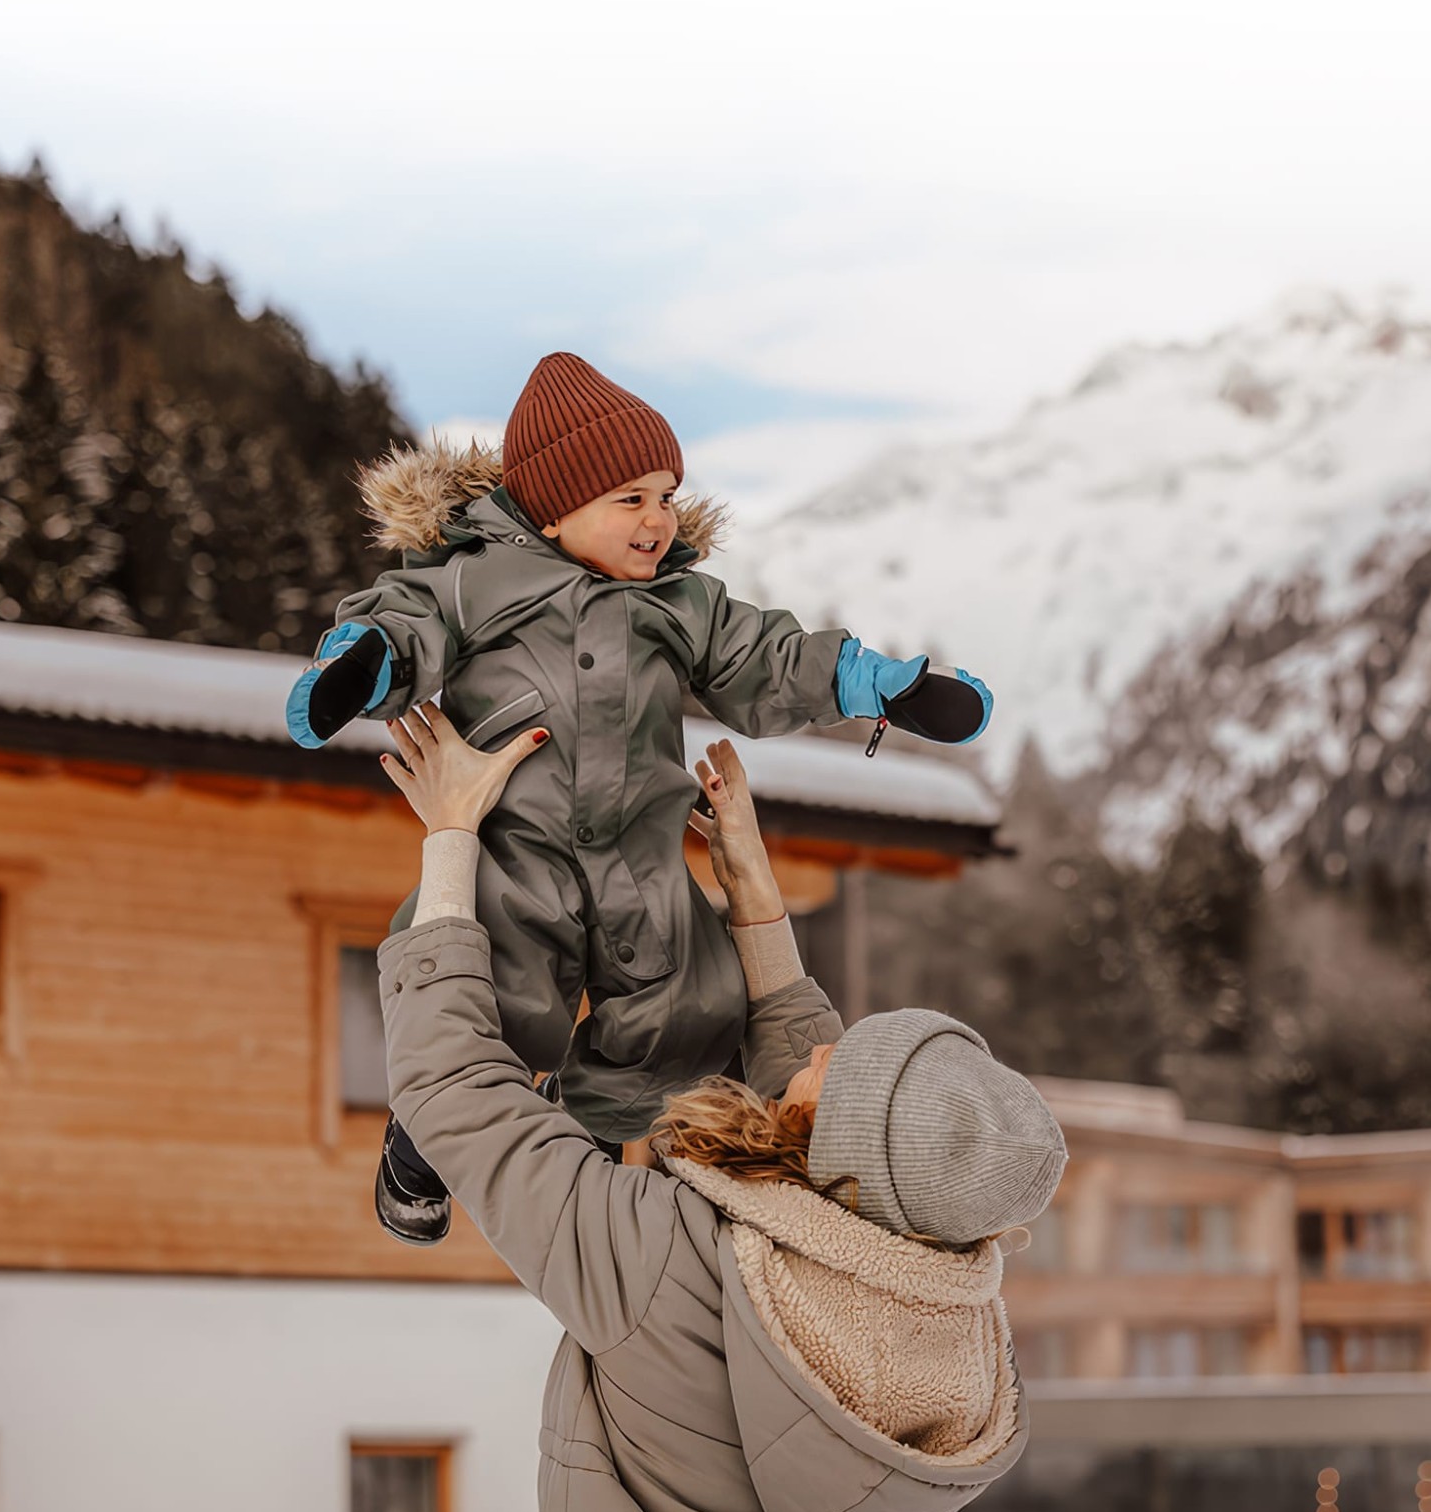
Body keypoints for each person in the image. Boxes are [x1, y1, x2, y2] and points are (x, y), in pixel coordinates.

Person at [284, 352, 994, 1245]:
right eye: (632, 498)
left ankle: (598, 1140)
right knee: (501, 990)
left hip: (642, 851)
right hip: (518, 845)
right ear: (554, 507)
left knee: (692, 1006)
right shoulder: (473, 578)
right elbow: (407, 620)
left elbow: (762, 658)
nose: (660, 519)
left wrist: (870, 683)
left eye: (667, 495)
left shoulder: (679, 601)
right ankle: (423, 1135)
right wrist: (364, 664)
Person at [374, 702, 1065, 1512]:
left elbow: (454, 1089)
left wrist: (450, 835)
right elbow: (834, 1144)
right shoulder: (944, 1323)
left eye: (839, 1068)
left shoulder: (667, 1265)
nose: (824, 1049)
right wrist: (756, 899)